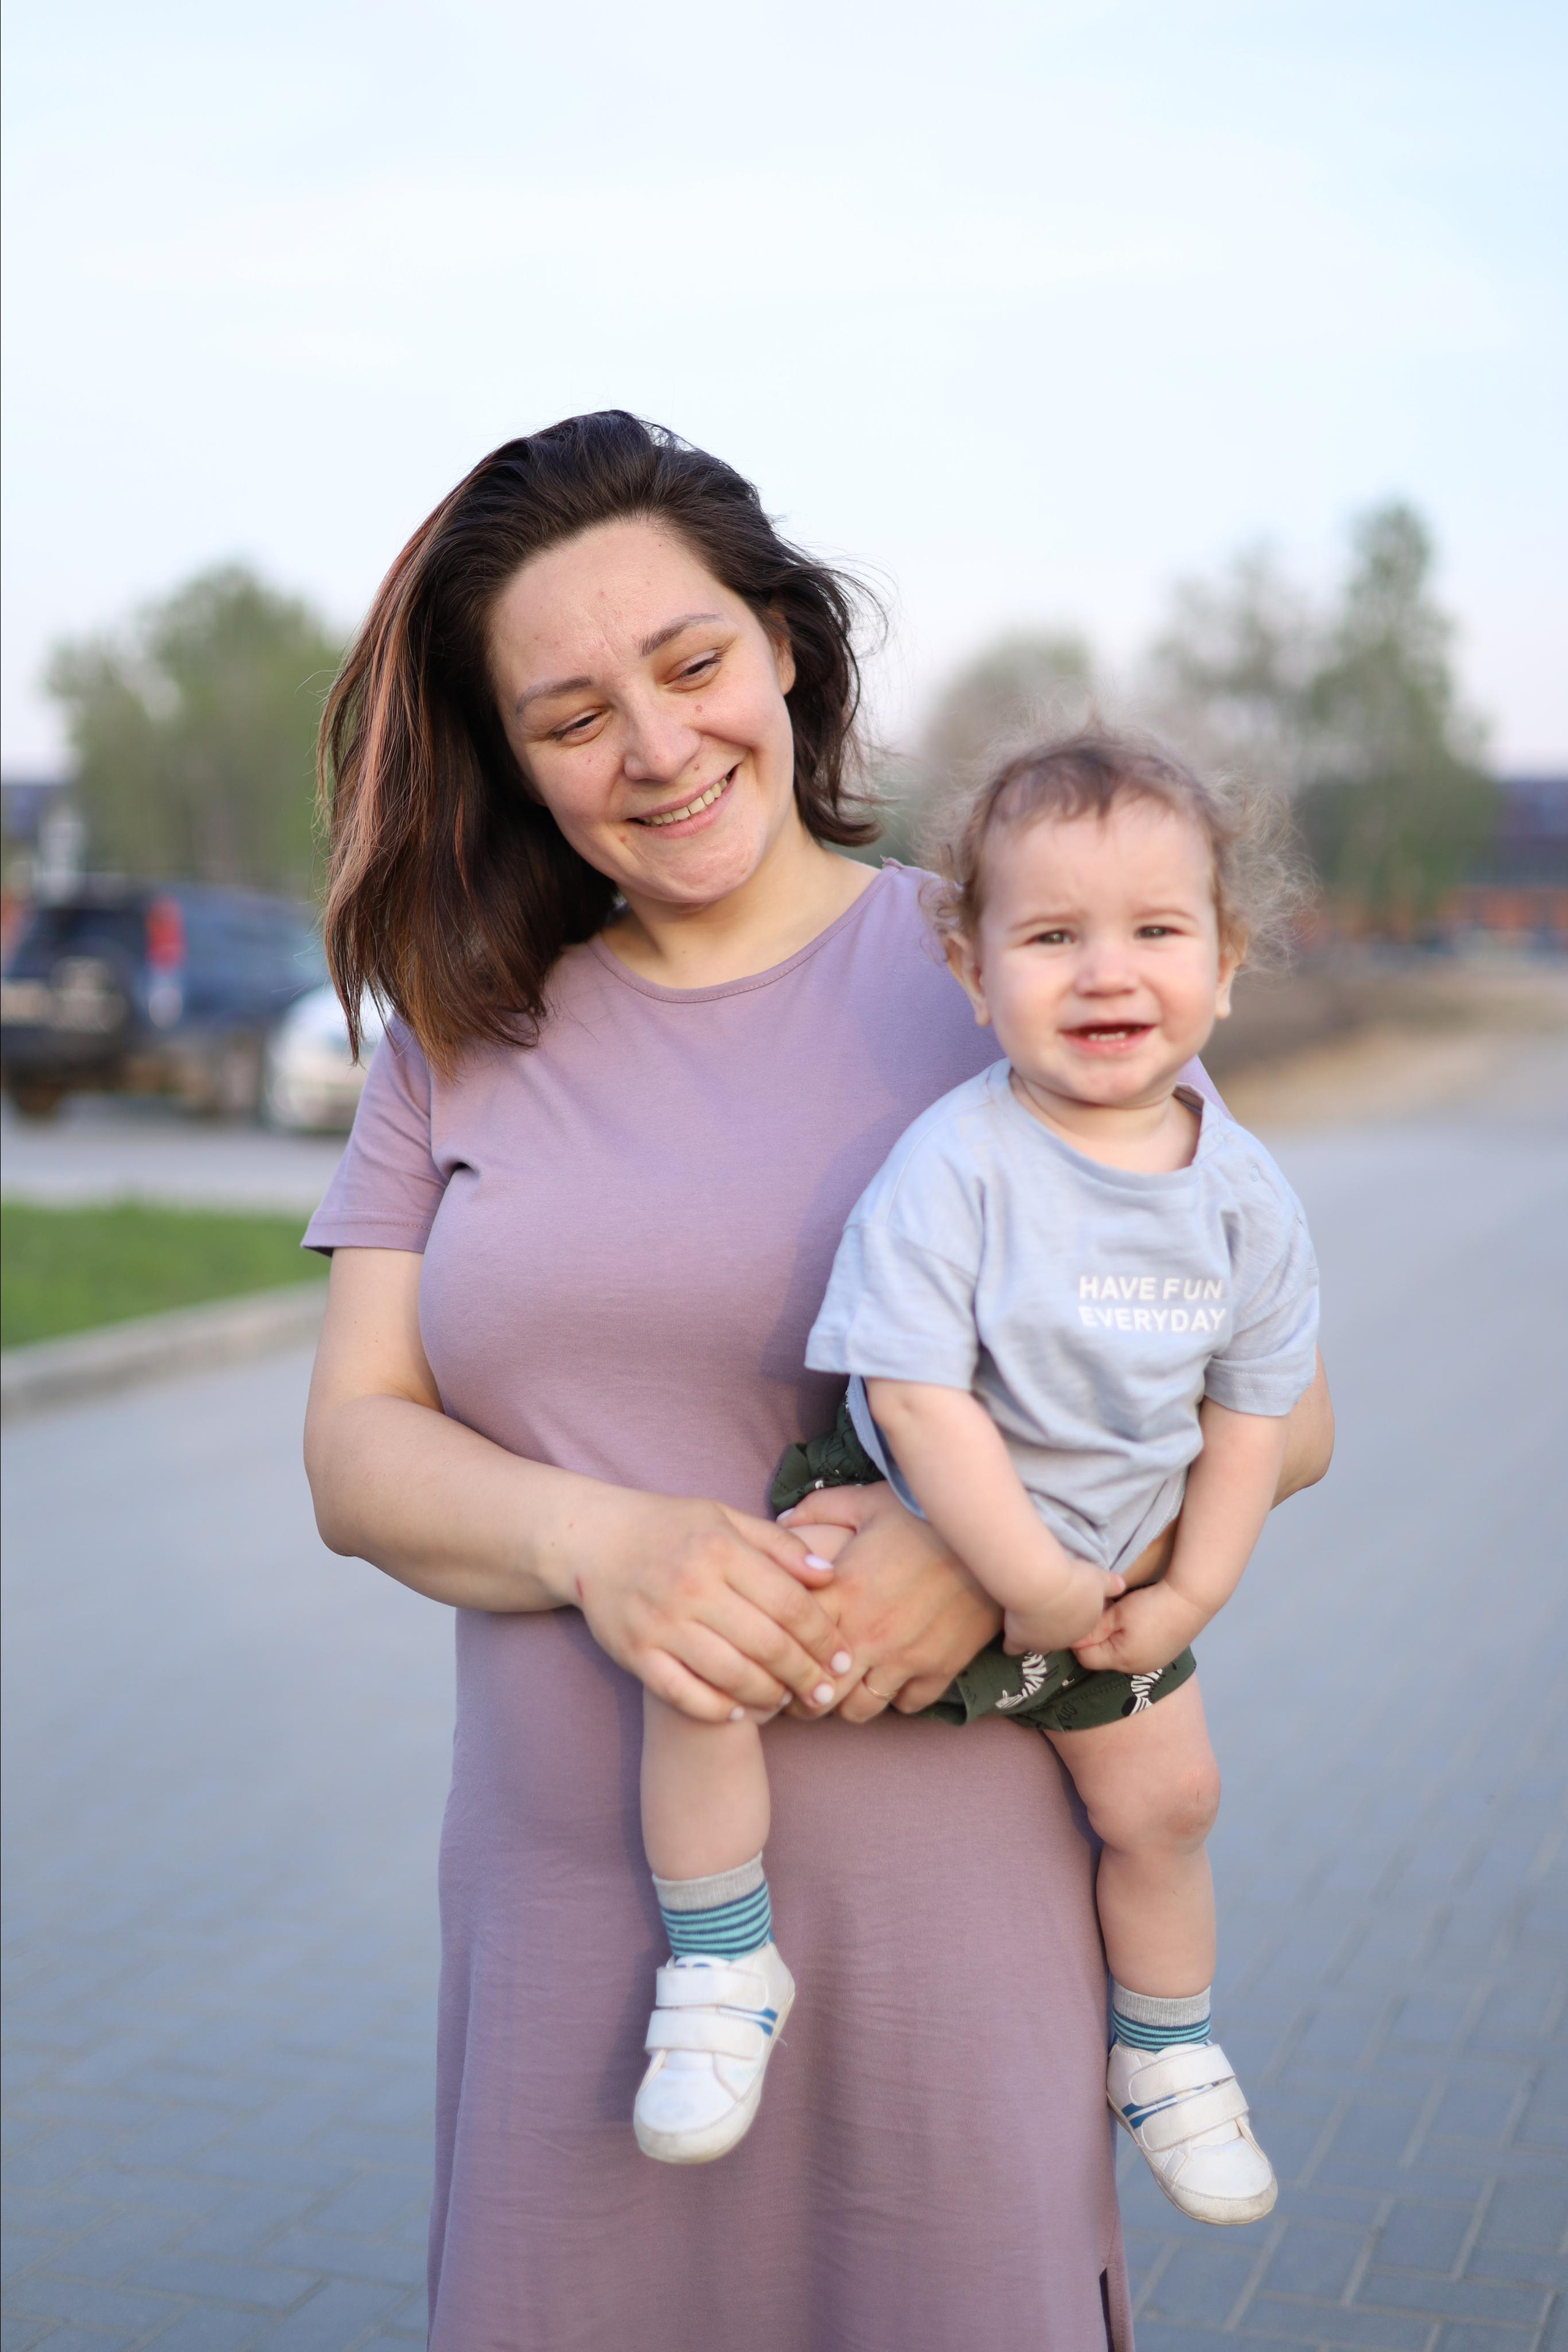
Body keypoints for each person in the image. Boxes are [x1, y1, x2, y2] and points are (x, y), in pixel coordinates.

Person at [301, 410, 1334, 2349]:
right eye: (573, 714)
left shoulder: (1010, 965)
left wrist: (985, 1542)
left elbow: (1283, 1410)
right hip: (585, 1924)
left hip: (956, 1917)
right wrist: (603, 1543)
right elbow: (356, 1451)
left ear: (783, 643)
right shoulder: (455, 1032)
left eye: (691, 662)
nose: (657, 744)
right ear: (511, 757)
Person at [638, 729, 1314, 2215]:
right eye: (1051, 937)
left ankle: (1168, 2051)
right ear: (971, 969)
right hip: (913, 1513)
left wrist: (1189, 1591)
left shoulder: (1244, 1195)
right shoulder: (957, 1163)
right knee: (703, 1676)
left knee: (1173, 1803)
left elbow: (1254, 1417)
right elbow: (915, 1395)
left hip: (1112, 1571)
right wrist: (1020, 1576)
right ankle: (722, 1963)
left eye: (1154, 932)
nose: (1105, 973)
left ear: (1224, 962)